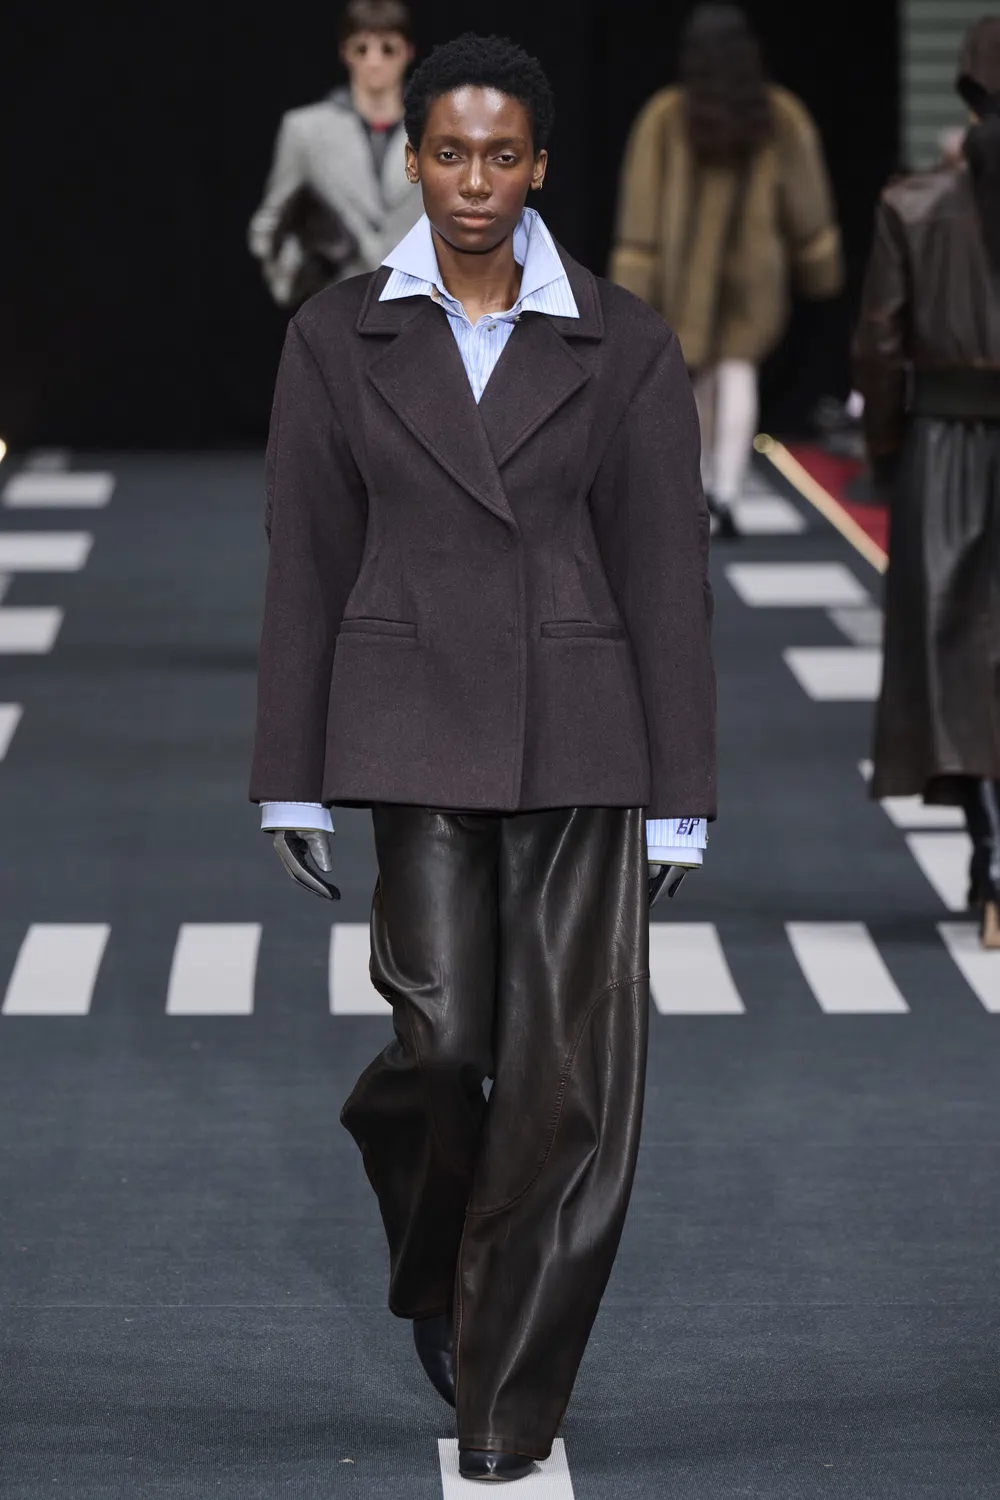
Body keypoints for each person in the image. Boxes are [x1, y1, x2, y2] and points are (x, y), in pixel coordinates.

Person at [250, 31, 716, 1483]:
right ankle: (440, 1252)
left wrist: (682, 802)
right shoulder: (336, 336)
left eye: (500, 155)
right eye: (447, 152)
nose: (471, 180)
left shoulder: (623, 342)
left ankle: (504, 1382)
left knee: (564, 1082)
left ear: (540, 168)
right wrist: (288, 774)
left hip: (582, 734)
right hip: (411, 724)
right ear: (411, 159)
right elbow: (304, 556)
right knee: (443, 1049)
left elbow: (665, 577)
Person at [853, 16, 1000, 950]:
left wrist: (885, 451)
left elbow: (880, 346)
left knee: (955, 656)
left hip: (946, 441)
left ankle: (993, 855)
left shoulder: (914, 205)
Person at [610, 3, 843, 537]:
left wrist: (633, 285)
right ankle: (728, 489)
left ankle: (698, 491)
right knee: (739, 369)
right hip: (756, 273)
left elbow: (640, 213)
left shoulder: (666, 116)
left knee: (693, 376)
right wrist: (816, 263)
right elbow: (807, 203)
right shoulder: (779, 114)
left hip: (681, 274)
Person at [248, 0, 421, 306]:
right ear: (345, 53)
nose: (374, 61)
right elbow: (269, 223)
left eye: (388, 49)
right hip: (337, 307)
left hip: (419, 305)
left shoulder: (438, 129)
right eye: (362, 49)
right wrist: (296, 276)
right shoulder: (305, 130)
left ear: (407, 52)